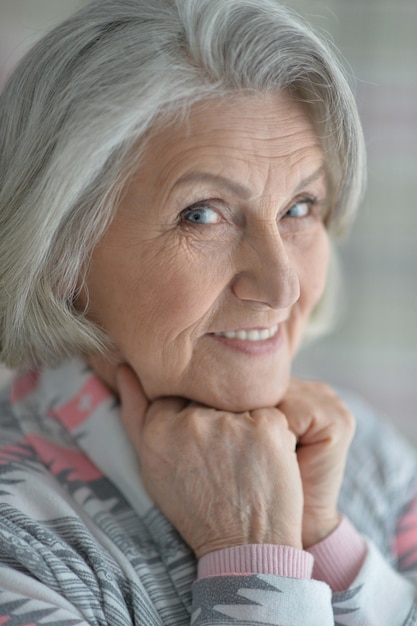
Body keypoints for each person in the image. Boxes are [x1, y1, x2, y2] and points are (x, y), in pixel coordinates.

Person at [0, 0, 417, 623]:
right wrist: (254, 559)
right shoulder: (17, 546)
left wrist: (328, 544)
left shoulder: (365, 457)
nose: (281, 286)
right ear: (62, 248)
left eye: (300, 207)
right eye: (203, 214)